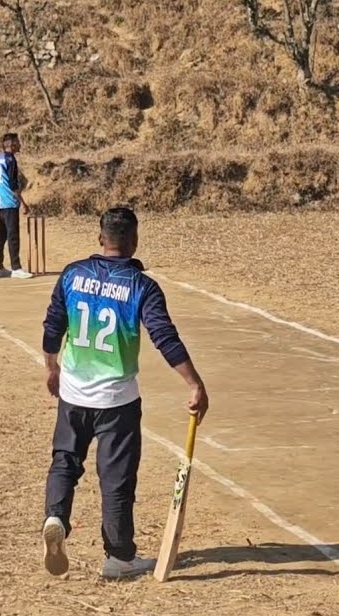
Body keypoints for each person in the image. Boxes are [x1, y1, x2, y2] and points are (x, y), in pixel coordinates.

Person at [40, 206, 210, 580]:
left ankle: (55, 516)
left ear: (100, 238)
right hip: (116, 400)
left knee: (65, 460)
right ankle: (118, 556)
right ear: (134, 241)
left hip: (73, 391)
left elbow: (53, 325)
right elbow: (165, 337)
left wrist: (52, 367)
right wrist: (193, 382)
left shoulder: (72, 274)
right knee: (116, 478)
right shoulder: (141, 286)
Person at [0, 132, 32, 278]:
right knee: (12, 235)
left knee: (1, 235)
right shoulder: (10, 160)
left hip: (1, 201)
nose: (19, 144)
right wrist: (23, 203)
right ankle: (16, 267)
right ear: (11, 144)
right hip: (9, 201)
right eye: (17, 142)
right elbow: (13, 184)